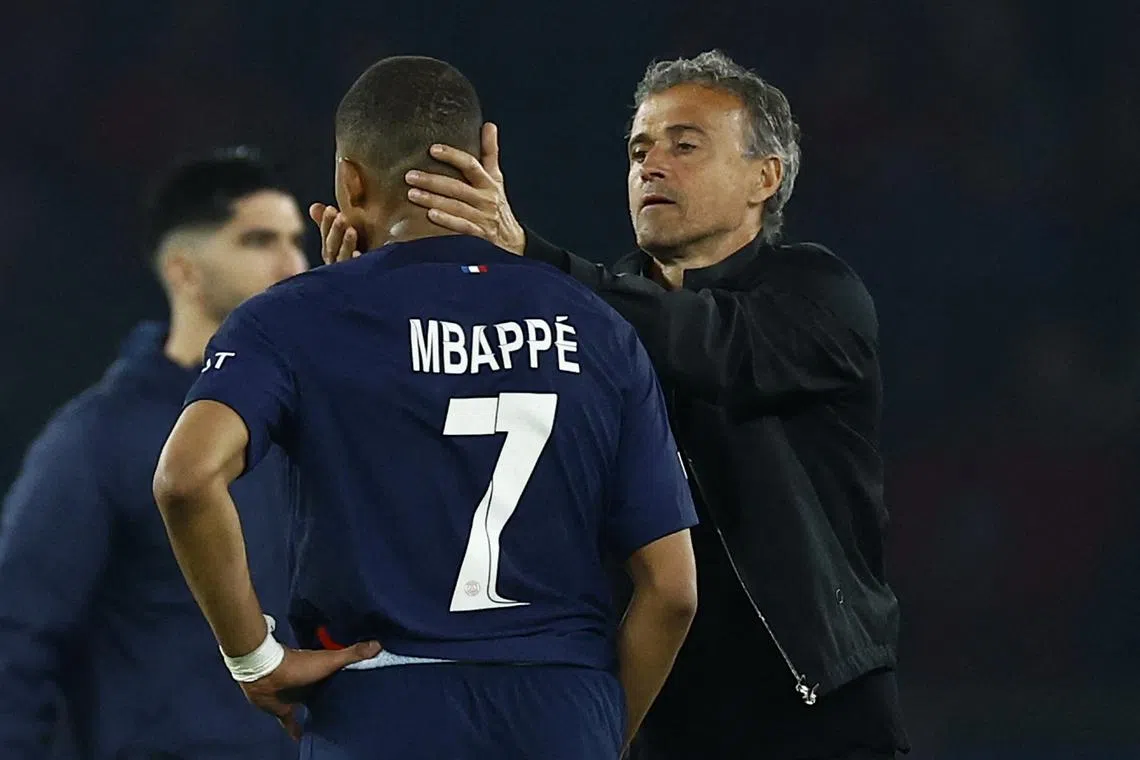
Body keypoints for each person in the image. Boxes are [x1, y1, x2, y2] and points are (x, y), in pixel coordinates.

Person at [341, 49, 908, 759]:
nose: (652, 164)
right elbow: (462, 436)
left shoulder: (817, 293)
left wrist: (530, 256)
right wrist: (366, 309)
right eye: (639, 148)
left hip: (813, 710)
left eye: (685, 145)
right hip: (649, 710)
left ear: (767, 177)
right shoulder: (585, 311)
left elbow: (711, 346)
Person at [151, 55, 699, 760]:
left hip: (383, 708)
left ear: (350, 180)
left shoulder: (297, 320)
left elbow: (186, 478)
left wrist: (255, 658)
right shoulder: (599, 328)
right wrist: (596, 733)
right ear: (486, 159)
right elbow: (674, 591)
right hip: (562, 705)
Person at [0, 149, 308, 759]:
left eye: (296, 240)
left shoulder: (309, 424)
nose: (293, 264)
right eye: (258, 241)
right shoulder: (99, 437)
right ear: (183, 270)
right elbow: (16, 641)